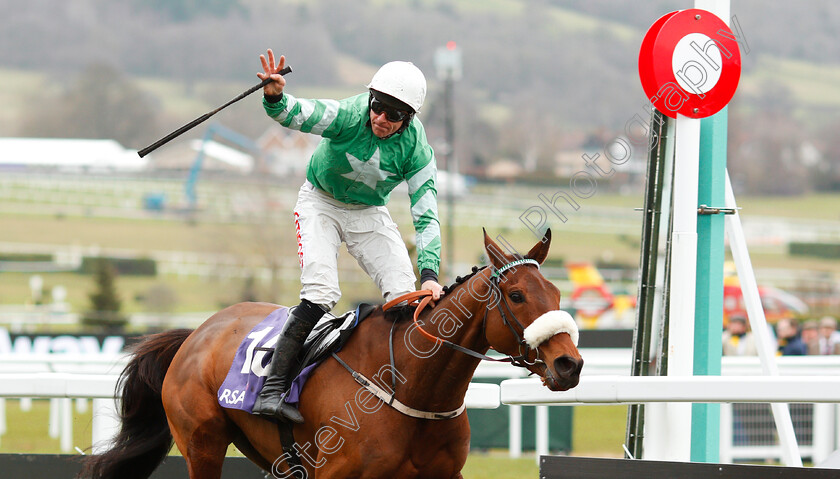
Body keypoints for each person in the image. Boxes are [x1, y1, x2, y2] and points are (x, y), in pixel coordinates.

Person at [251, 49, 445, 423]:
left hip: (368, 212)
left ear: (410, 119)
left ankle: (397, 392)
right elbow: (296, 114)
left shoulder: (418, 150)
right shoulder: (349, 114)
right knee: (321, 292)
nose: (381, 119)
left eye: (395, 114)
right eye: (378, 106)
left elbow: (426, 213)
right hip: (319, 203)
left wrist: (431, 274)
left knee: (407, 295)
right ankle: (273, 390)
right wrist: (274, 95)